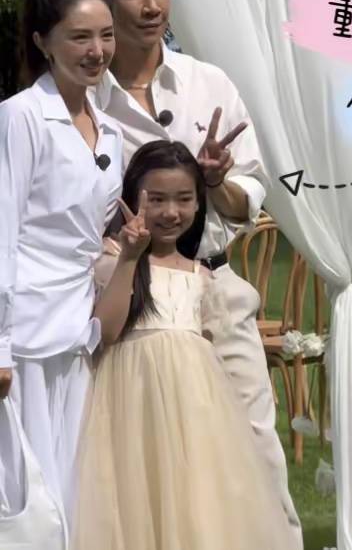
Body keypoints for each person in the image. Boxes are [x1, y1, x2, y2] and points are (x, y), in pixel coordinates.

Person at [85, 0, 301, 540]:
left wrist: (214, 182)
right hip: (127, 297)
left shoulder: (209, 83)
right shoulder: (86, 99)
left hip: (213, 281)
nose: (151, 6)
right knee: (136, 461)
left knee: (255, 445)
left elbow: (250, 198)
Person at [72, 140, 297, 550]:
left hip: (194, 412)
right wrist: (129, 258)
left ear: (198, 204)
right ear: (132, 198)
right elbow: (106, 331)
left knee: (195, 499)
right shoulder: (112, 260)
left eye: (183, 199)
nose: (170, 212)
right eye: (156, 199)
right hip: (130, 405)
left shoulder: (201, 277)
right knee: (136, 498)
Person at [0, 0, 122, 529]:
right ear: (43, 42)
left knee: (71, 488)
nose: (97, 50)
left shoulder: (110, 129)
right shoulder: (21, 117)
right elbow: (4, 230)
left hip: (77, 332)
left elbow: (93, 234)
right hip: (24, 334)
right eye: (80, 37)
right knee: (25, 497)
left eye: (106, 35)